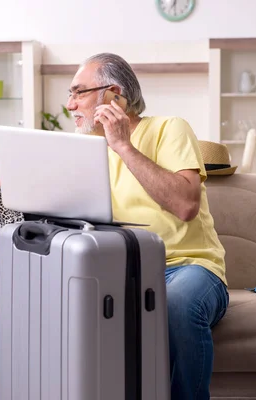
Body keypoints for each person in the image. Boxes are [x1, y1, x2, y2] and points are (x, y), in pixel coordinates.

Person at [67, 52, 229, 399]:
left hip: (188, 268)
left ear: (113, 94)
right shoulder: (85, 151)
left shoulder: (169, 128)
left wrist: (123, 145)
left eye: (78, 92)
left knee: (177, 303)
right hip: (120, 273)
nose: (70, 104)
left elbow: (185, 204)